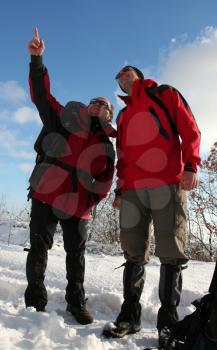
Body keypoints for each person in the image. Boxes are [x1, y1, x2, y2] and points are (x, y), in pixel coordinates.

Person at [103, 65, 201, 343]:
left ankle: (167, 324)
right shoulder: (123, 116)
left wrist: (192, 165)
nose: (121, 77)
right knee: (133, 251)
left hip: (167, 183)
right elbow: (121, 154)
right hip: (133, 190)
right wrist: (120, 189)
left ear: (139, 75)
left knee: (171, 250)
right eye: (118, 77)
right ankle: (129, 316)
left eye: (126, 72)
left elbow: (190, 128)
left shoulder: (164, 94)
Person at [24, 28, 116, 325]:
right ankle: (35, 302)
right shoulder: (62, 118)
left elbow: (105, 181)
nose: (97, 105)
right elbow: (41, 96)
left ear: (108, 116)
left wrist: (89, 202)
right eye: (95, 101)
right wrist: (37, 60)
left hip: (77, 205)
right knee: (39, 248)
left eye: (104, 105)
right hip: (45, 193)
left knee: (76, 257)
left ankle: (76, 302)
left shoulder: (105, 145)